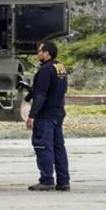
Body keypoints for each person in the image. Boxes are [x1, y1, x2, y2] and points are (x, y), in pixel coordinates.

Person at [26, 41, 70, 192]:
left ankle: (46, 179)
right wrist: (27, 96)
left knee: (43, 145)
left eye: (39, 51)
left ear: (47, 53)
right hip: (58, 112)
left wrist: (32, 115)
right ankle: (63, 181)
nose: (38, 54)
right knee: (58, 147)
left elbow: (41, 94)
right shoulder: (60, 68)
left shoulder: (45, 70)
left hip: (46, 114)